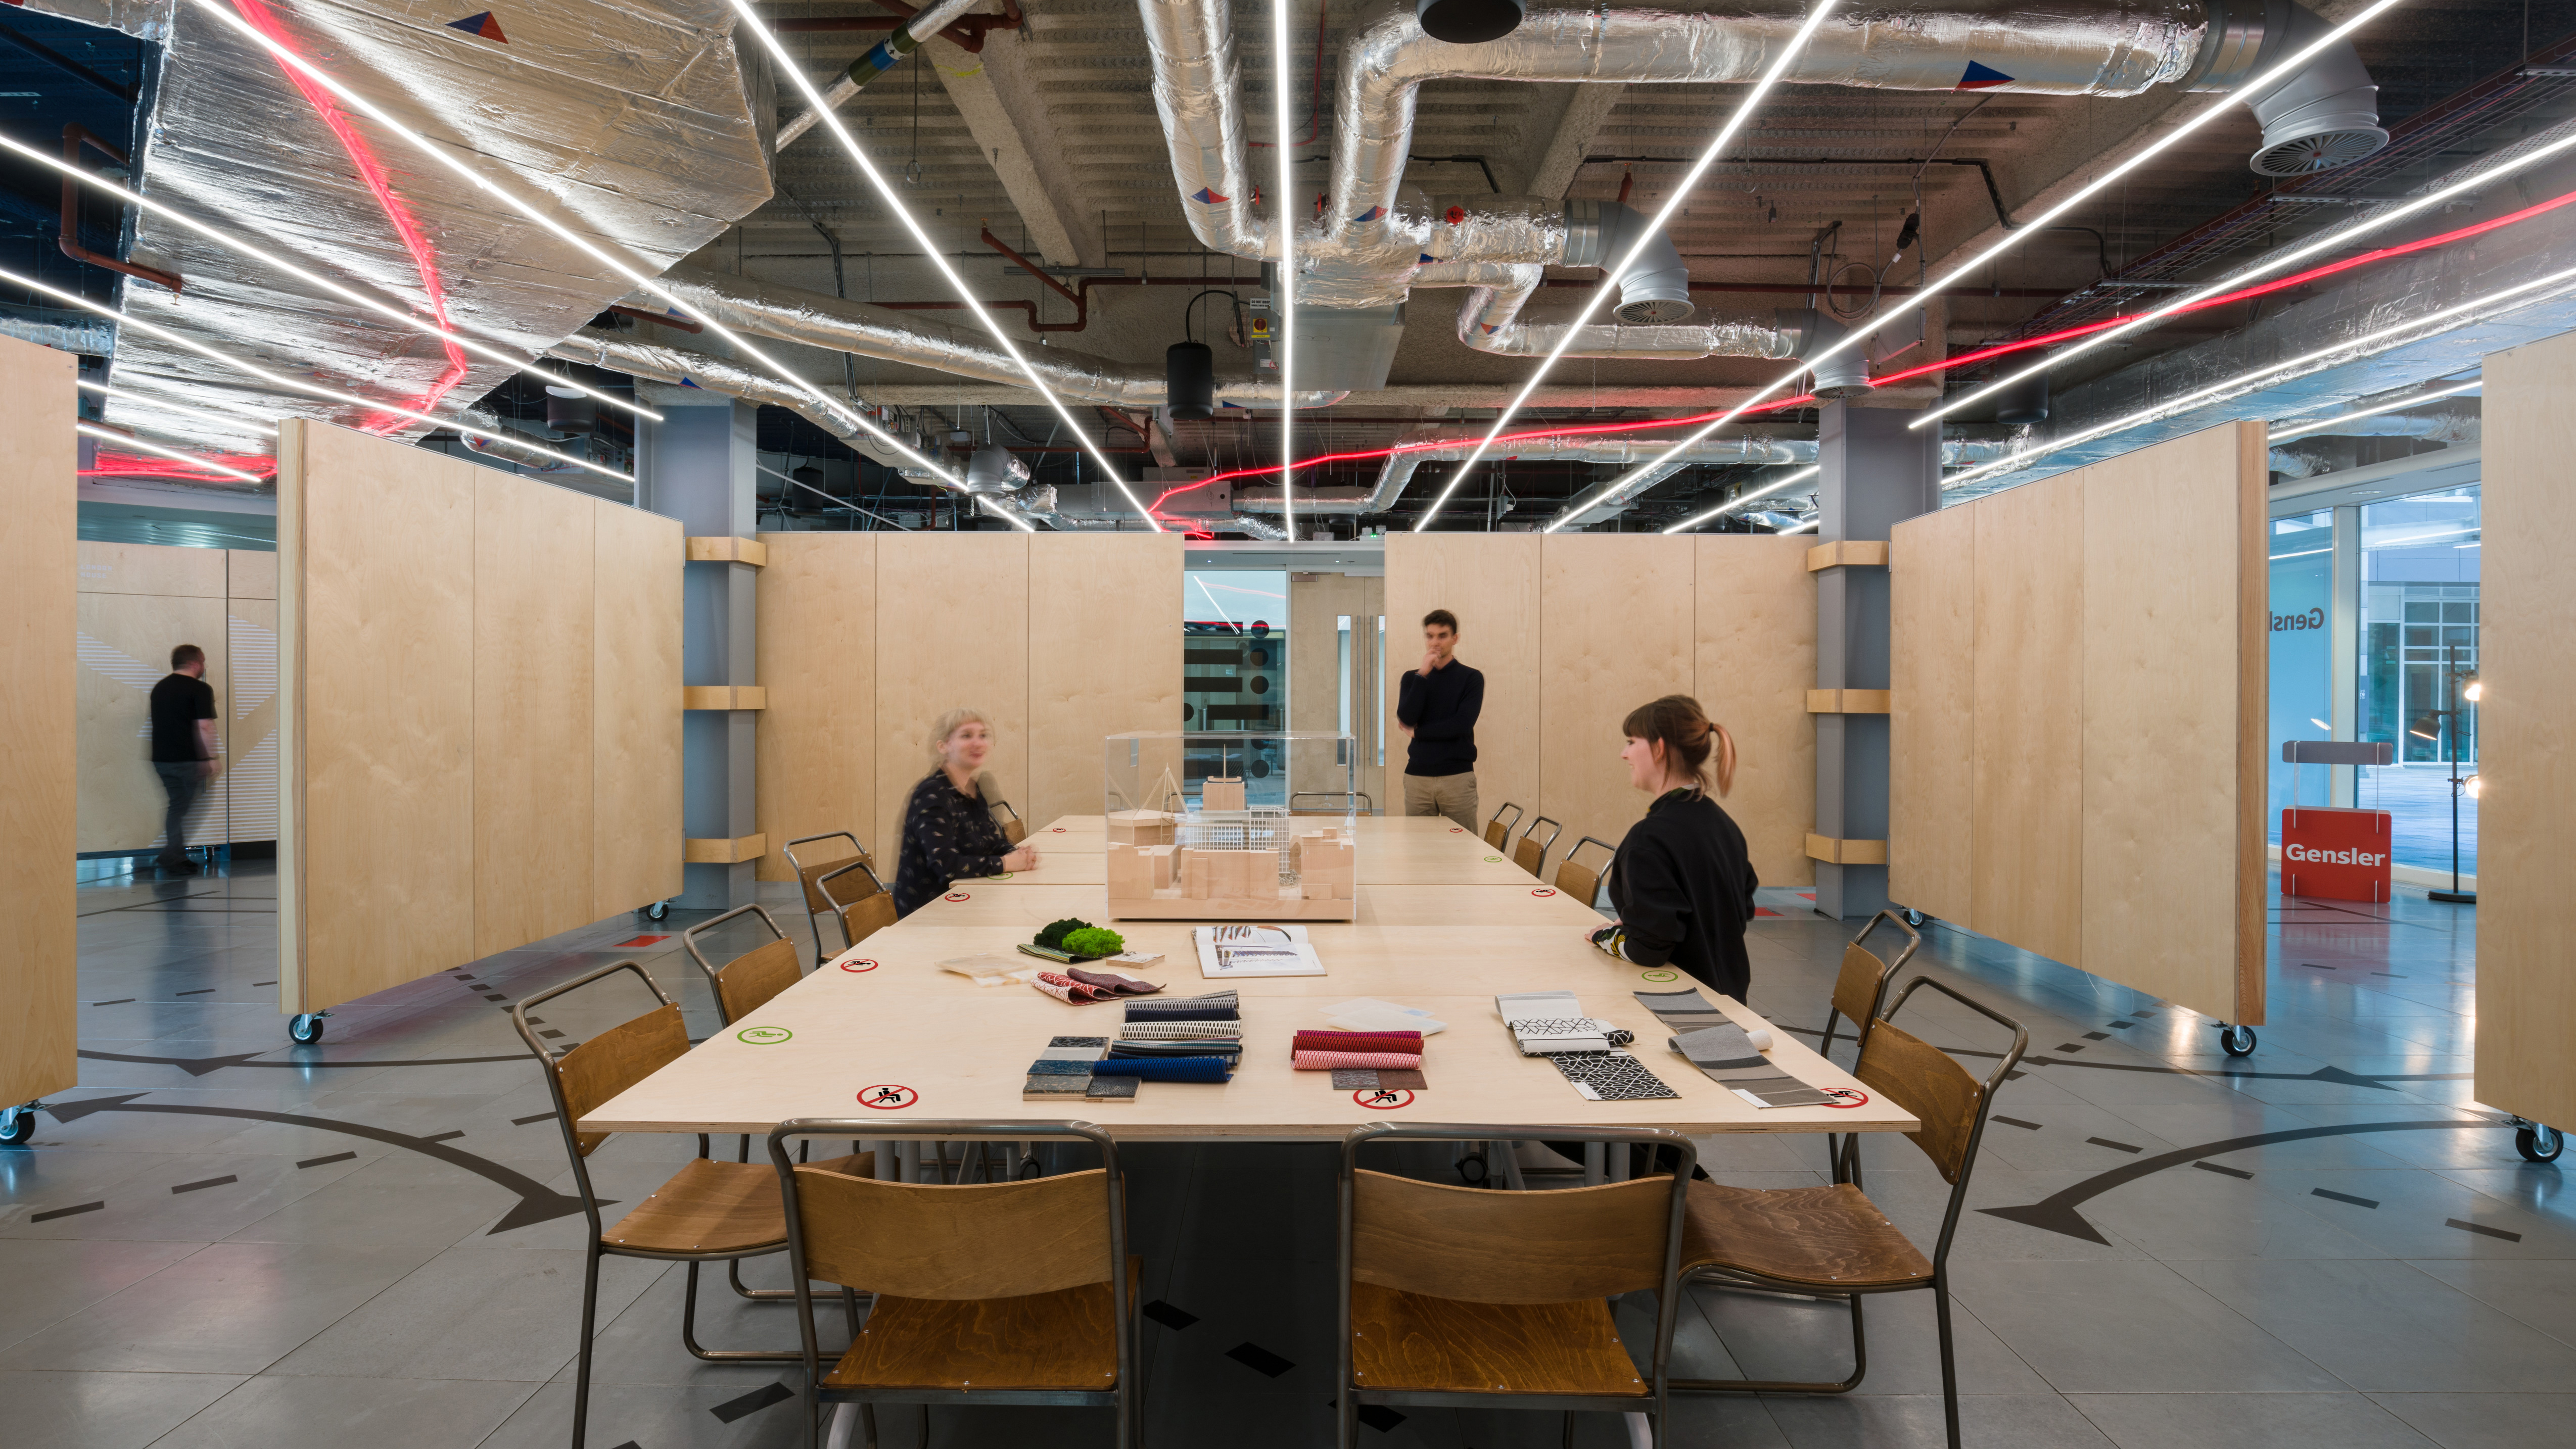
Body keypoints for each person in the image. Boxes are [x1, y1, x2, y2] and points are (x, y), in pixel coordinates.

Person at [1585, 695, 1759, 1002]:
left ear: (1659, 747)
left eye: (1632, 741)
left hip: (1681, 1006)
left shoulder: (1649, 839)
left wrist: (1605, 936)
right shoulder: (1724, 825)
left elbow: (1648, 950)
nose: (1624, 754)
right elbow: (1737, 911)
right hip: (1733, 1001)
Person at [892, 708, 1038, 916]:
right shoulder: (930, 794)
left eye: (983, 735)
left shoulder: (971, 788)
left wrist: (1015, 853)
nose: (978, 743)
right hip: (927, 917)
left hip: (965, 904)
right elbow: (947, 866)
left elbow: (990, 842)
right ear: (944, 746)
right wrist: (1007, 863)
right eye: (967, 736)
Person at [1394, 608, 1483, 830]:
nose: (1435, 642)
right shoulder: (1412, 678)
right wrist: (1423, 674)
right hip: (1417, 777)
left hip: (1457, 777)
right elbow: (1406, 718)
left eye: (1442, 636)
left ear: (1455, 639)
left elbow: (1461, 724)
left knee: (1463, 848)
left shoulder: (1471, 678)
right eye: (1430, 636)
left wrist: (1419, 733)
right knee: (1420, 849)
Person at [149, 643, 221, 876]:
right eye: (203, 661)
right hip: (186, 760)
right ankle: (172, 855)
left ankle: (176, 853)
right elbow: (205, 726)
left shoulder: (159, 688)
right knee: (181, 808)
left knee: (177, 807)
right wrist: (210, 758)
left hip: (161, 759)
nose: (204, 666)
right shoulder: (200, 689)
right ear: (194, 663)